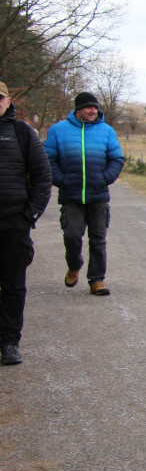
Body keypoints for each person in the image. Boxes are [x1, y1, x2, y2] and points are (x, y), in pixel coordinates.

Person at [44, 91, 125, 296]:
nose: (93, 110)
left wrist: (105, 178)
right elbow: (47, 159)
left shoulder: (106, 131)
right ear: (78, 109)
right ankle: (74, 264)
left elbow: (116, 158)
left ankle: (96, 280)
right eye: (89, 107)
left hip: (98, 195)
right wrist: (61, 180)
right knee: (72, 236)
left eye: (95, 107)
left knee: (98, 239)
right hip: (71, 196)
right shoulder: (58, 130)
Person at [0, 82, 52, 365]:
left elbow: (42, 177)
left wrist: (29, 214)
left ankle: (9, 342)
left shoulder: (22, 133)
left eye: (0, 98)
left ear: (9, 100)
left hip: (13, 222)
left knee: (13, 287)